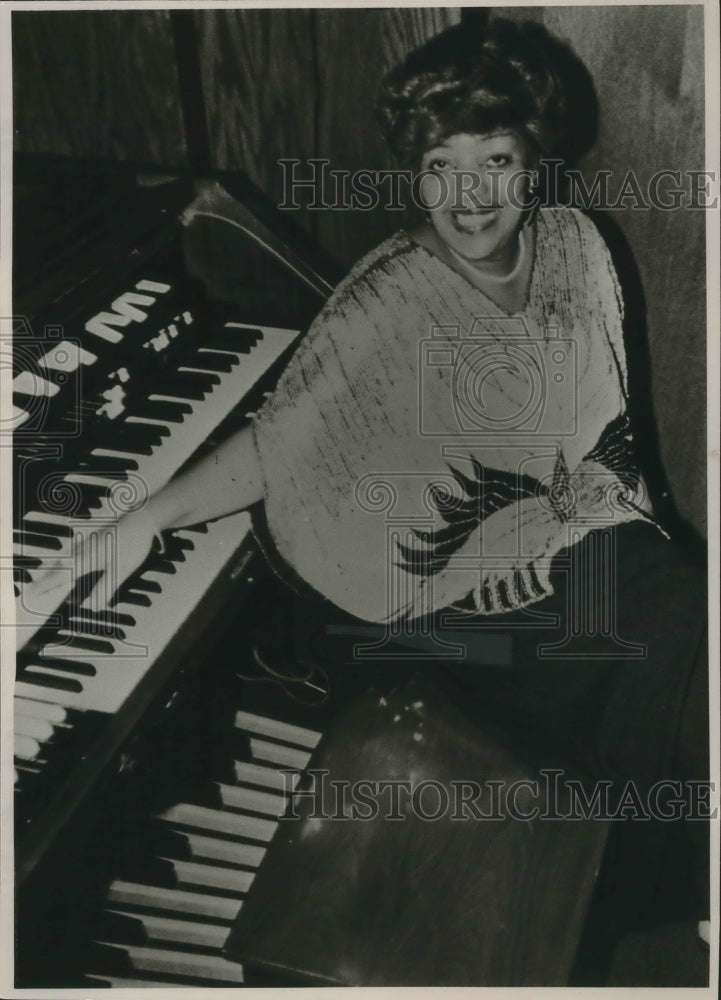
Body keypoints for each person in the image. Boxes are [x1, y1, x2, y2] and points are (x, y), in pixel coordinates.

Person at [35, 17, 709, 961]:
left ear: (535, 164)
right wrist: (144, 519)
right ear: (416, 172)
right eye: (442, 165)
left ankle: (652, 888)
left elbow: (601, 437)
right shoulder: (386, 293)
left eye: (496, 160)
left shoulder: (576, 247)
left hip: (559, 545)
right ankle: (656, 893)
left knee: (676, 610)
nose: (468, 196)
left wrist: (558, 535)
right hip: (427, 596)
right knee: (674, 625)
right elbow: (280, 438)